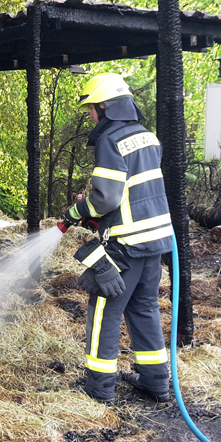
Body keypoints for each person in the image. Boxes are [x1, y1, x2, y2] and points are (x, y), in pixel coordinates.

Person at [60, 73, 174, 403]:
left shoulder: (111, 139)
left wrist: (79, 209)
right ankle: (155, 381)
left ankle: (99, 388)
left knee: (103, 311)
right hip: (155, 241)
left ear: (106, 107)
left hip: (126, 243)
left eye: (91, 109)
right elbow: (136, 191)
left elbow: (107, 198)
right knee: (144, 308)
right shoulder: (147, 137)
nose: (90, 116)